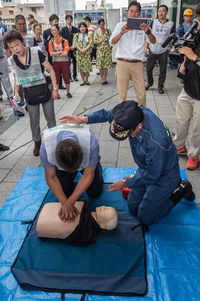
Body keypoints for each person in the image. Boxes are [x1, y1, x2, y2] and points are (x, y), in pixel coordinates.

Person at [59, 100, 195, 225]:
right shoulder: (133, 114)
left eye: (128, 134)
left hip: (163, 176)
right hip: (146, 167)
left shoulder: (156, 142)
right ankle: (154, 195)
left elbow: (153, 175)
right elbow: (107, 114)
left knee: (145, 218)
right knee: (133, 206)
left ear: (139, 126)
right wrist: (83, 119)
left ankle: (180, 190)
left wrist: (125, 183)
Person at [3, 30, 59, 156]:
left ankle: (53, 143)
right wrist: (16, 92)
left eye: (17, 44)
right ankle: (37, 143)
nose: (15, 49)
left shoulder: (35, 51)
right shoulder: (12, 60)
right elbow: (17, 76)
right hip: (29, 92)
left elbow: (50, 69)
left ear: (22, 41)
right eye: (11, 47)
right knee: (33, 120)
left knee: (50, 118)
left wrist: (55, 89)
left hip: (45, 89)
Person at [39, 123, 103, 222]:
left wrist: (72, 200)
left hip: (86, 162)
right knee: (64, 193)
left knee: (95, 192)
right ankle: (66, 173)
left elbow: (88, 174)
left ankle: (95, 163)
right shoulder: (46, 147)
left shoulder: (91, 143)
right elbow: (51, 177)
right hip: (63, 166)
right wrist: (65, 202)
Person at [110, 1, 156, 105]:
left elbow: (153, 41)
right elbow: (112, 42)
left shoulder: (144, 27)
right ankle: (121, 119)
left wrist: (148, 31)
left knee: (141, 95)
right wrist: (122, 33)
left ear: (139, 13)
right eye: (131, 11)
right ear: (127, 12)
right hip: (123, 64)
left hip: (137, 64)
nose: (133, 13)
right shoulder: (120, 25)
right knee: (122, 96)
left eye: (136, 11)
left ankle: (143, 118)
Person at [173, 4, 200, 170]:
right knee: (181, 119)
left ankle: (194, 155)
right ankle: (180, 145)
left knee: (198, 127)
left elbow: (193, 54)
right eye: (198, 16)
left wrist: (194, 57)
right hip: (189, 84)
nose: (198, 20)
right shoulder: (196, 32)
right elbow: (188, 50)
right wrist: (184, 62)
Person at [36, 201, 118, 245]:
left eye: (106, 211)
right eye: (107, 207)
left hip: (46, 223)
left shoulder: (85, 231)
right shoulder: (85, 206)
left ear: (103, 226)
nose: (104, 207)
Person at [145, 5, 175, 94]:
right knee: (148, 68)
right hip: (153, 49)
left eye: (162, 11)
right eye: (159, 11)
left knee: (163, 69)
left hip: (163, 50)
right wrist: (146, 47)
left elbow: (173, 36)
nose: (160, 13)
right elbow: (147, 34)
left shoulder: (171, 24)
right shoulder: (153, 22)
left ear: (166, 12)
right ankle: (150, 82)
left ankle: (160, 86)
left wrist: (170, 46)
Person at [48, 24, 72, 98]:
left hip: (64, 62)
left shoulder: (65, 41)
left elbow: (66, 53)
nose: (53, 32)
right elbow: (51, 54)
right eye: (52, 30)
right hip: (55, 63)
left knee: (66, 77)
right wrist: (60, 52)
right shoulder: (51, 42)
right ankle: (57, 93)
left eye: (54, 30)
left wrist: (56, 53)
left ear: (58, 30)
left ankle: (68, 92)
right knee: (56, 78)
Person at [43, 14, 65, 90]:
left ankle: (60, 84)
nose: (56, 23)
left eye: (57, 21)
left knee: (60, 70)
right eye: (55, 21)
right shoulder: (46, 32)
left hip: (59, 54)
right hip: (50, 55)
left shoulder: (60, 31)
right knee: (52, 70)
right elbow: (44, 44)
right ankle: (53, 85)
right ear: (50, 22)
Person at [94, 18, 112, 85]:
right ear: (98, 25)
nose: (102, 26)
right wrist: (101, 41)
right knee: (101, 66)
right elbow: (95, 41)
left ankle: (105, 79)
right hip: (100, 50)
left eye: (103, 24)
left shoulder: (107, 30)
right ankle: (102, 79)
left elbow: (111, 39)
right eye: (101, 25)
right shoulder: (96, 32)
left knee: (106, 65)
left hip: (107, 50)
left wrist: (108, 40)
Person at [61, 15, 79, 82]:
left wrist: (74, 46)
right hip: (67, 49)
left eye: (70, 20)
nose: (69, 21)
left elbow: (77, 39)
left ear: (72, 20)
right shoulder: (63, 29)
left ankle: (75, 76)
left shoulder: (75, 29)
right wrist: (68, 46)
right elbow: (63, 40)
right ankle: (69, 77)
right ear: (66, 21)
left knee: (75, 62)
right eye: (68, 20)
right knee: (67, 63)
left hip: (74, 48)